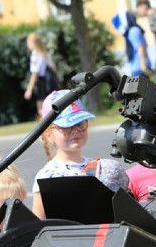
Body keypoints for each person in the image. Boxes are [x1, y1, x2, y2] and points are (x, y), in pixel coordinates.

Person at [31, 90, 129, 219]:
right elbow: (37, 225)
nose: (75, 131)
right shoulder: (46, 177)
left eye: (80, 124)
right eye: (66, 126)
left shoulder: (103, 169)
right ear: (48, 134)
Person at [23, 33, 59, 117]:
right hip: (50, 83)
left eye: (28, 43)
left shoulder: (35, 55)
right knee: (50, 103)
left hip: (42, 82)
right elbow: (54, 69)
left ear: (32, 43)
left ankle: (44, 125)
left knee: (40, 105)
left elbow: (35, 73)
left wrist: (29, 89)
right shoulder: (45, 54)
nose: (28, 45)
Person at [112, 11, 153, 79]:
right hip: (136, 69)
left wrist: (143, 67)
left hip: (140, 69)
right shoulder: (129, 32)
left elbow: (140, 48)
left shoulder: (134, 31)